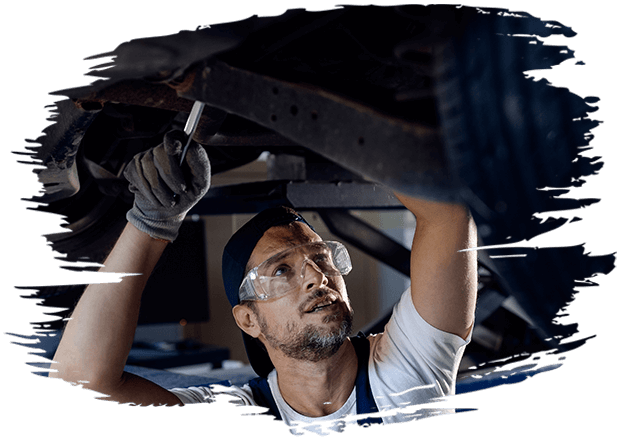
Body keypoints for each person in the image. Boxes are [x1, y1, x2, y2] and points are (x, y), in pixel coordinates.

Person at [49, 129, 478, 435]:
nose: (316, 276)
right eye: (281, 270)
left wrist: (336, 124)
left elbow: (447, 215)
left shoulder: (410, 365)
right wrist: (151, 223)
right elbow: (80, 383)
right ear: (248, 320)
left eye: (322, 258)